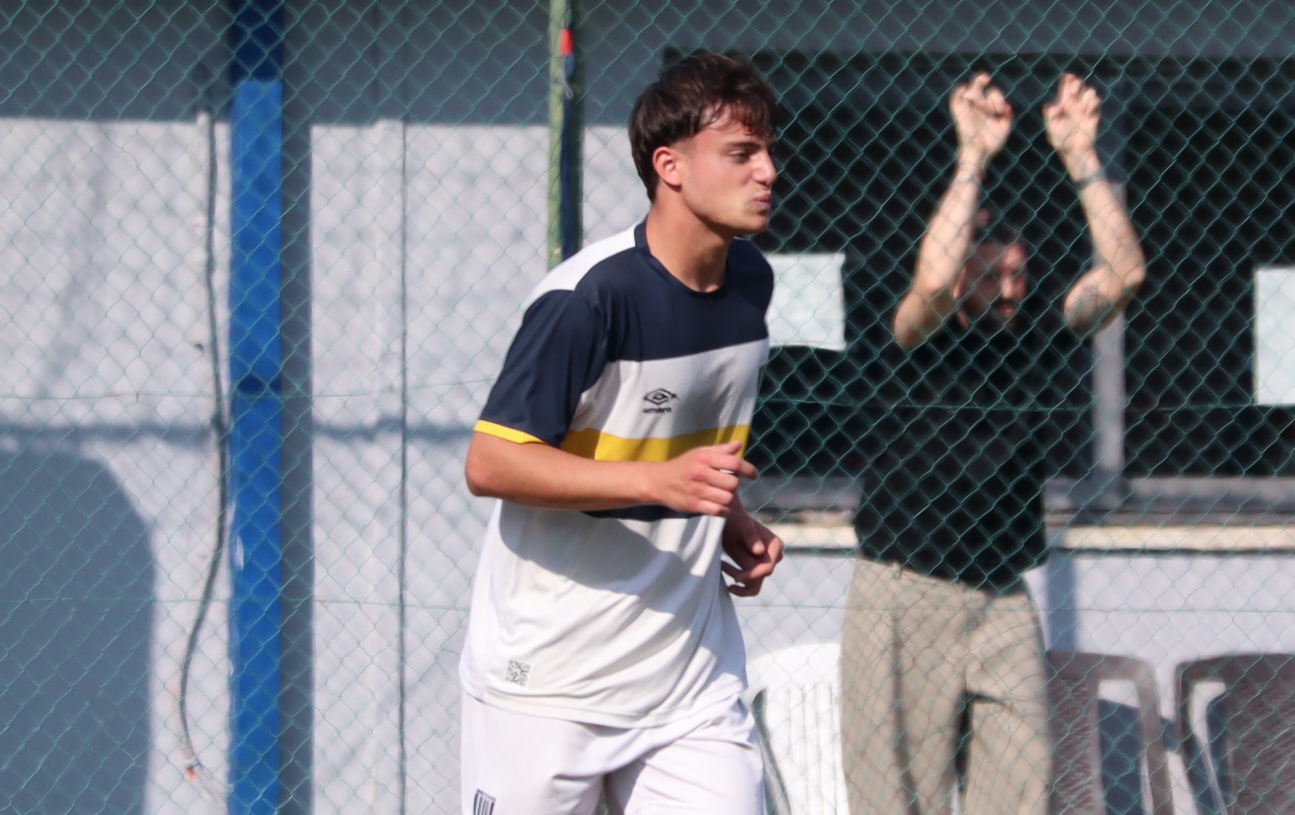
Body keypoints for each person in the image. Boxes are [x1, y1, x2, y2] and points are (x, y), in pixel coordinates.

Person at [459, 53, 786, 815]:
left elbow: (670, 434)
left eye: (769, 150)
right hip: (548, 683)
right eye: (741, 153)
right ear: (670, 166)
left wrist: (728, 514)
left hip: (689, 677)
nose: (768, 171)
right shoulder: (585, 298)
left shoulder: (752, 282)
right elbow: (491, 461)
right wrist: (657, 483)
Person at [841, 72, 1146, 815]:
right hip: (905, 589)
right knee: (898, 801)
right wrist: (973, 157)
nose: (1010, 288)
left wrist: (1082, 157)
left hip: (1002, 592)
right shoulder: (915, 336)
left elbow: (1124, 273)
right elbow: (931, 283)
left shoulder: (1036, 332)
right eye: (991, 275)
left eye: (1017, 273)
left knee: (1020, 788)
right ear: (963, 273)